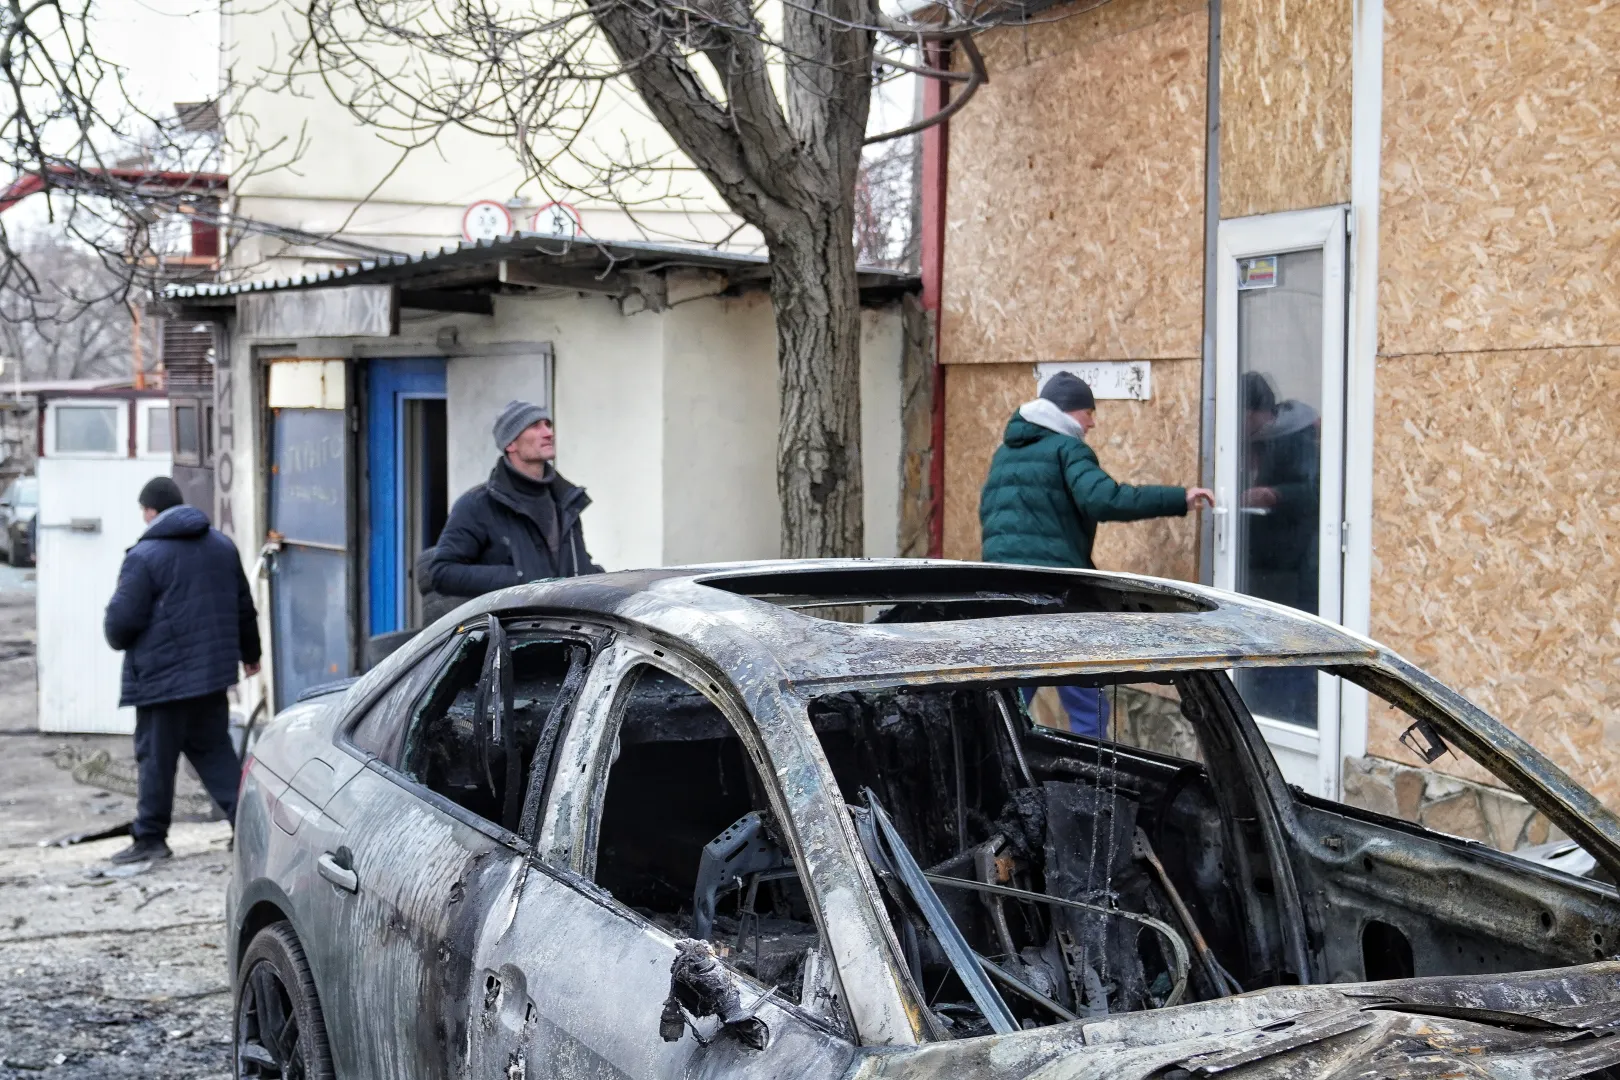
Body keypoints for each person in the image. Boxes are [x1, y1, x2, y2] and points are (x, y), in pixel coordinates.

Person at [979, 372, 1213, 737]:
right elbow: (1104, 499)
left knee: (1012, 701)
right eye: (1089, 412)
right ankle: (1092, 784)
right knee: (1085, 695)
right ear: (1071, 412)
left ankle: (1000, 778)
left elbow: (990, 515)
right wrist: (1178, 498)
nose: (1093, 422)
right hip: (1055, 595)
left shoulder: (1006, 453)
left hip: (1005, 592)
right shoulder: (1066, 448)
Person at [103, 477, 260, 864]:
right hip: (210, 677)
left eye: (143, 511)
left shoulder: (145, 556)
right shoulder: (222, 546)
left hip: (163, 680)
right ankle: (252, 829)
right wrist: (251, 654)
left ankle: (151, 838)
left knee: (156, 759)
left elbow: (121, 625)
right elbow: (244, 605)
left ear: (151, 511)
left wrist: (113, 629)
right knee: (216, 753)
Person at [428, 400, 601, 598]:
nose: (548, 433)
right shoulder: (478, 505)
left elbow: (576, 568)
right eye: (535, 426)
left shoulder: (566, 501)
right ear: (510, 443)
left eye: (548, 425)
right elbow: (442, 573)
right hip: (514, 627)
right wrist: (520, 578)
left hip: (564, 626)